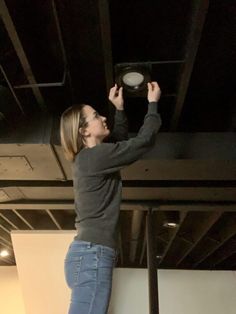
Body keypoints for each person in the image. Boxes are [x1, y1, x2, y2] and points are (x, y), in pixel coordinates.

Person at [60, 81, 162, 314]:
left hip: (88, 255)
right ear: (83, 130)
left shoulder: (92, 158)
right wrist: (153, 104)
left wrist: (119, 109)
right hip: (92, 255)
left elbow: (118, 142)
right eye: (96, 116)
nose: (102, 118)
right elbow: (143, 142)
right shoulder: (93, 158)